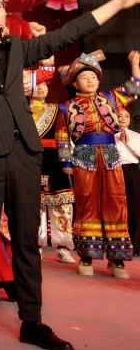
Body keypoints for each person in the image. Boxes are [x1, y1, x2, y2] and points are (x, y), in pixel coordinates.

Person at [0, 0, 140, 350]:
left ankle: (32, 321)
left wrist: (118, 2)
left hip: (24, 152)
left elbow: (67, 34)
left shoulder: (17, 47)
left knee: (27, 241)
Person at [56, 50, 139, 279]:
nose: (90, 80)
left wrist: (134, 64)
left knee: (116, 203)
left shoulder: (111, 97)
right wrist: (65, 161)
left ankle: (117, 260)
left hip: (111, 157)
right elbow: (62, 136)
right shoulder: (66, 107)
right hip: (84, 157)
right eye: (85, 77)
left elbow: (135, 87)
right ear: (75, 83)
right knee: (87, 205)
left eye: (93, 77)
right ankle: (86, 256)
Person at [27, 69, 76, 264]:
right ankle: (34, 244)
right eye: (36, 85)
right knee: (33, 203)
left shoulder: (57, 109)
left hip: (54, 159)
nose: (40, 88)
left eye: (44, 85)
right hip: (29, 159)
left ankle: (63, 247)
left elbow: (62, 135)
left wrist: (66, 160)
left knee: (61, 203)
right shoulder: (21, 109)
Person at [116, 108, 140, 257]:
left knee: (135, 208)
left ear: (130, 120)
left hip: (132, 172)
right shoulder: (109, 136)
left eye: (126, 116)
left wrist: (128, 142)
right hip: (115, 171)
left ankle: (135, 244)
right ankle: (116, 243)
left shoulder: (136, 136)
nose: (123, 119)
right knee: (117, 207)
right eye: (120, 116)